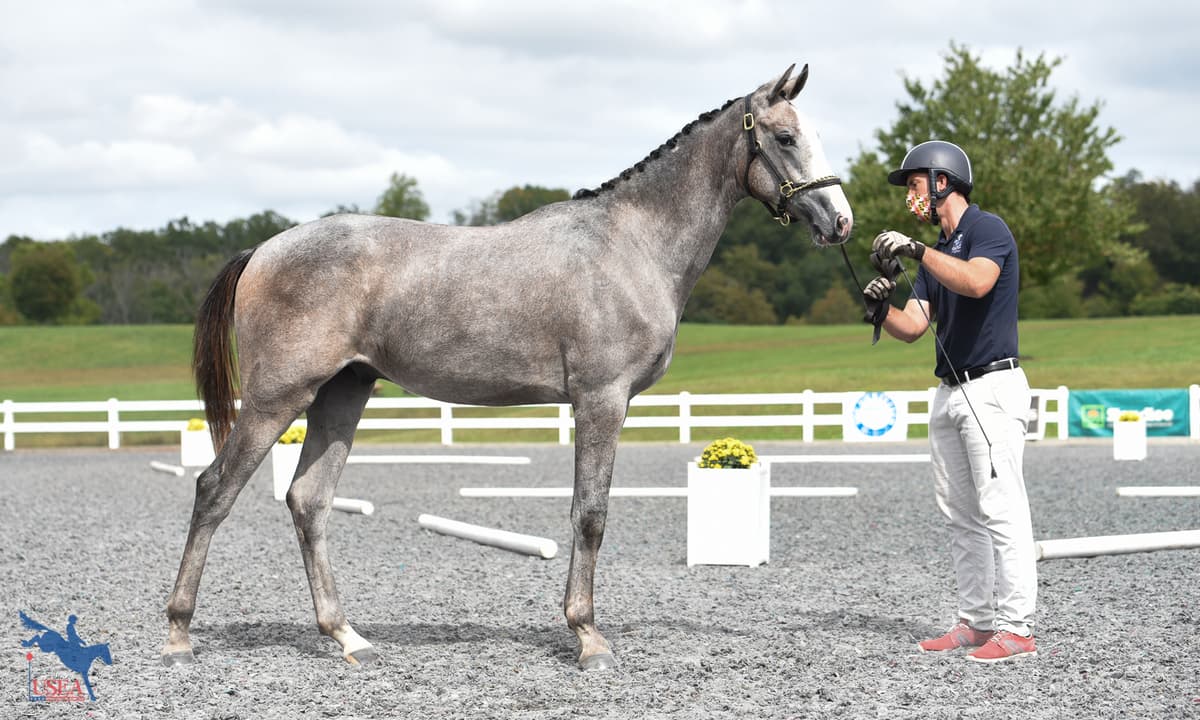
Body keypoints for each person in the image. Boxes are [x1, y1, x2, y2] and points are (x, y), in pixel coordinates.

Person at [863, 140, 1038, 663]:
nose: (910, 196)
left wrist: (918, 251)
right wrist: (880, 309)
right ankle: (976, 622)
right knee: (961, 515)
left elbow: (979, 282)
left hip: (992, 389)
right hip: (950, 392)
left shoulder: (987, 230)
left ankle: (1017, 628)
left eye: (915, 184)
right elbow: (914, 326)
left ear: (943, 181)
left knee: (1001, 509)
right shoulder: (935, 254)